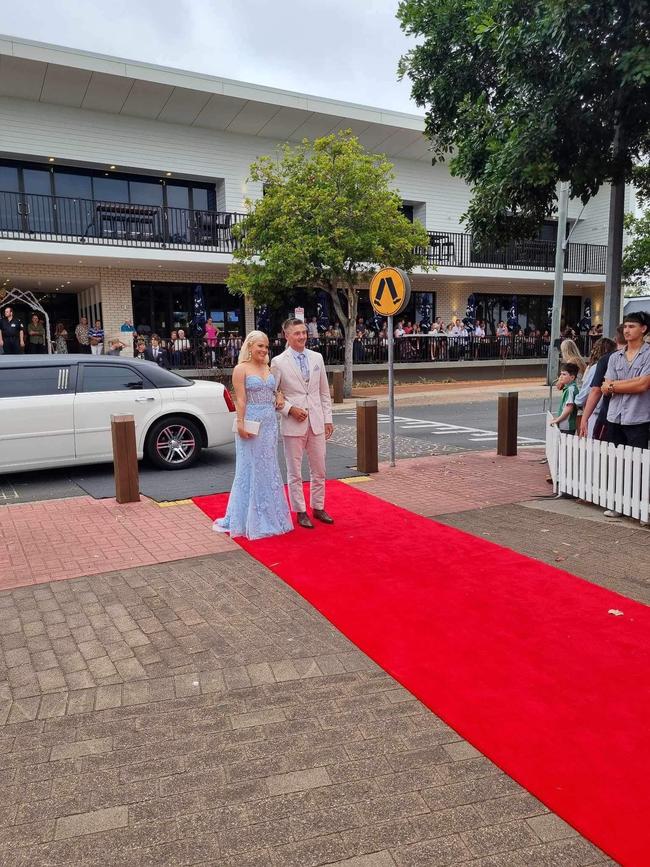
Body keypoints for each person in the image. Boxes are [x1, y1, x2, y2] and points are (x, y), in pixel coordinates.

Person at [214, 330, 292, 540]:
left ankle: (270, 514)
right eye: (260, 346)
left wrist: (280, 397)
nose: (264, 350)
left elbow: (274, 391)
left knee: (269, 468)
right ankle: (248, 519)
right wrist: (240, 424)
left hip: (269, 422)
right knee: (251, 468)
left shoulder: (267, 367)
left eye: (266, 346)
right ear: (250, 347)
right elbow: (240, 400)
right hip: (251, 423)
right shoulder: (241, 369)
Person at [271, 317, 334, 529]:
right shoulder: (278, 362)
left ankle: (318, 506)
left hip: (316, 421)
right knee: (294, 471)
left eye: (304, 332)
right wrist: (290, 409)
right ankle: (300, 511)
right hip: (293, 424)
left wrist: (328, 419)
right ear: (286, 335)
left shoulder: (317, 358)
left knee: (320, 469)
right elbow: (272, 396)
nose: (302, 337)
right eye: (297, 333)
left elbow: (324, 392)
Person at [601, 311, 650, 451]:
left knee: (636, 465)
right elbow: (604, 387)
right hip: (614, 417)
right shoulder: (615, 357)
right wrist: (633, 382)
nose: (626, 330)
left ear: (643, 329)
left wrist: (613, 385)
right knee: (614, 462)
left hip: (638, 418)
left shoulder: (648, 355)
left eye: (631, 326)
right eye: (625, 326)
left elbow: (643, 385)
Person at [579, 325, 626, 440]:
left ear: (616, 339)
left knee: (604, 453)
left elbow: (595, 391)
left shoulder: (605, 359)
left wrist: (584, 419)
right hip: (638, 419)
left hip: (608, 416)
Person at [574, 336, 617, 435]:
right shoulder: (612, 364)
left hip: (595, 410)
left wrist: (577, 401)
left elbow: (590, 390)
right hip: (606, 410)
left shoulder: (594, 367)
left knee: (594, 440)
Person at [549, 362, 580, 434]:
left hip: (567, 425)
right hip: (564, 424)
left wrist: (558, 420)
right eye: (561, 374)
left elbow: (569, 408)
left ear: (572, 377)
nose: (561, 377)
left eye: (564, 374)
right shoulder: (568, 388)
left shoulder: (570, 389)